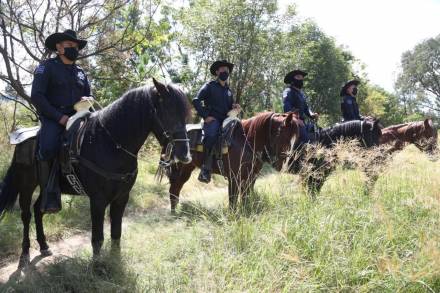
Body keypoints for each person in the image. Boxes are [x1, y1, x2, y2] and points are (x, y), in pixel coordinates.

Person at [31, 29, 92, 213]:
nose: (73, 48)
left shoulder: (81, 72)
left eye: (75, 46)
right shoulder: (47, 67)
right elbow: (37, 96)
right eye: (69, 45)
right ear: (58, 47)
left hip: (79, 115)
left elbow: (89, 93)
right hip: (54, 117)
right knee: (48, 147)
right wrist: (60, 117)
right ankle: (50, 193)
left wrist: (87, 100)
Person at [192, 60, 241, 183]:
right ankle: (205, 169)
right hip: (213, 120)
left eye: (227, 70)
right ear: (217, 72)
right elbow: (196, 100)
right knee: (211, 135)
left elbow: (229, 107)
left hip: (227, 120)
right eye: (222, 69)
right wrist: (205, 116)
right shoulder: (209, 86)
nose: (225, 71)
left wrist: (235, 108)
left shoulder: (229, 90)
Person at [282, 69, 319, 144]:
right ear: (292, 79)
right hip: (293, 123)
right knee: (306, 142)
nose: (301, 79)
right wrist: (296, 120)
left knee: (316, 133)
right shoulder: (288, 91)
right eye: (298, 77)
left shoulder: (301, 94)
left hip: (302, 122)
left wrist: (312, 114)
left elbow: (306, 108)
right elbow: (287, 108)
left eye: (302, 78)